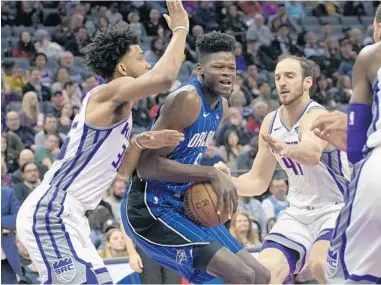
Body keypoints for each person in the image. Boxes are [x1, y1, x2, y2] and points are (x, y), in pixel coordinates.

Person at [16, 1, 189, 284]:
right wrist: (181, 30)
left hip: (72, 216)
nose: (147, 63)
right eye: (141, 57)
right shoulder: (109, 92)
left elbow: (121, 173)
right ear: (122, 68)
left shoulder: (120, 111)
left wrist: (140, 143)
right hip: (52, 211)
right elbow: (165, 78)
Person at [121, 31, 270, 285]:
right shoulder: (187, 98)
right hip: (149, 207)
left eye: (231, 68)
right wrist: (210, 173)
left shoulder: (221, 106)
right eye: (218, 67)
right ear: (200, 69)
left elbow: (186, 156)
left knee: (260, 275)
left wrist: (215, 172)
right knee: (242, 276)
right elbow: (145, 166)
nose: (227, 73)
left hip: (180, 204)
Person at [226, 55, 350, 284]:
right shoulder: (271, 122)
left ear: (308, 82)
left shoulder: (316, 115)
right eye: (278, 77)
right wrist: (226, 182)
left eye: (290, 76)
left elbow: (312, 153)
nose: (282, 82)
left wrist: (287, 149)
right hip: (298, 212)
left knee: (321, 264)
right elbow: (258, 180)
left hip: (335, 209)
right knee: (263, 274)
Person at [311, 4, 381, 283]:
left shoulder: (371, 55)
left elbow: (353, 150)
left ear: (377, 28)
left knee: (347, 275)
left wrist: (356, 140)